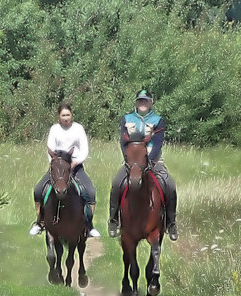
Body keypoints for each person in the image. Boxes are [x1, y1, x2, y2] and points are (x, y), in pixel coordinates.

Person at [107, 89, 178, 241]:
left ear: (151, 102)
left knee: (169, 185)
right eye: (140, 100)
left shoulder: (158, 120)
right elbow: (123, 142)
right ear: (136, 102)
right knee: (117, 183)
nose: (143, 103)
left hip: (154, 161)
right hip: (132, 163)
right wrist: (129, 161)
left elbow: (158, 143)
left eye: (145, 100)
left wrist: (149, 162)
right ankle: (113, 220)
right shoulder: (127, 119)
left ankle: (171, 223)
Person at [30, 103, 100, 238]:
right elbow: (50, 149)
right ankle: (41, 222)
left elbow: (84, 149)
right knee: (38, 190)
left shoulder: (78, 129)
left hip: (75, 166)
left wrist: (75, 162)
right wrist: (56, 164)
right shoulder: (54, 129)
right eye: (63, 115)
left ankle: (89, 225)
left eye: (68, 115)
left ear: (71, 115)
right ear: (59, 116)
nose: (66, 118)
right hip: (58, 168)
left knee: (90, 191)